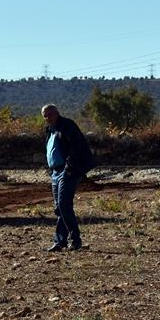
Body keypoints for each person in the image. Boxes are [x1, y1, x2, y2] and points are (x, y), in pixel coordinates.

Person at [42, 104, 96, 251]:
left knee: (64, 205)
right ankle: (60, 242)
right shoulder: (49, 130)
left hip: (66, 171)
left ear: (57, 113)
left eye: (50, 114)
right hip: (55, 172)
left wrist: (69, 168)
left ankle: (76, 240)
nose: (48, 117)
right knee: (59, 208)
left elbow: (76, 147)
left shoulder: (67, 125)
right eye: (45, 115)